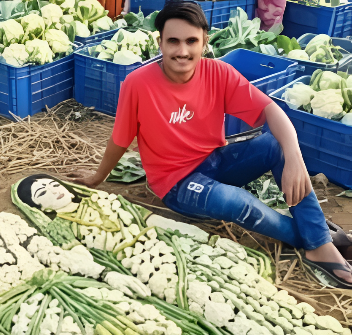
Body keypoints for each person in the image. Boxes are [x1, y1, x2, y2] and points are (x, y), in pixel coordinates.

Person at [75, 0, 352, 287]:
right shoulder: (137, 84)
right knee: (238, 203)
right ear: (160, 43)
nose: (182, 51)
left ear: (204, 42)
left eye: (191, 41)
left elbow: (271, 110)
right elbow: (120, 139)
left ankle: (319, 240)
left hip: (216, 162)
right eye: (173, 41)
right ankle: (318, 241)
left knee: (277, 145)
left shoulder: (218, 73)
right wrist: (98, 176)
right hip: (177, 184)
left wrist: (294, 157)